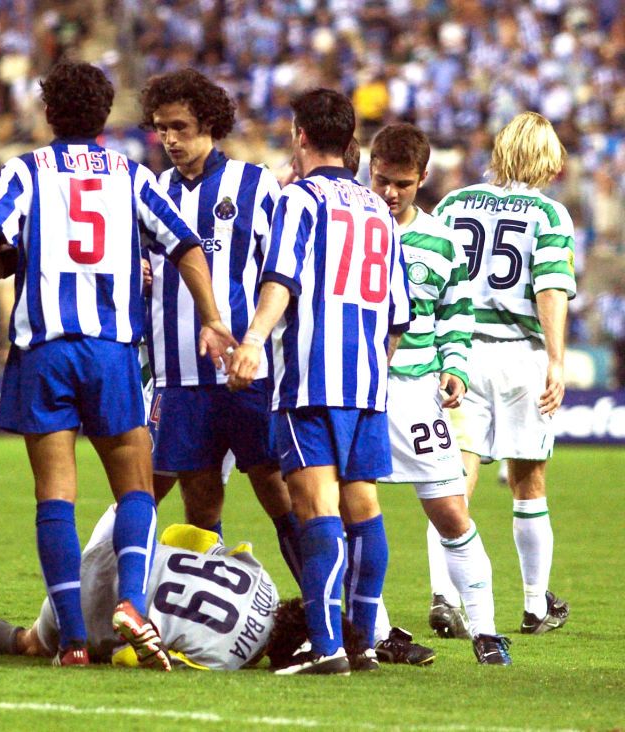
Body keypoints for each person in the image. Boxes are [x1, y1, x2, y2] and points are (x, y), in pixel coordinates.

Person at [0, 61, 235, 669]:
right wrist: (213, 316)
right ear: (104, 114)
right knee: (135, 488)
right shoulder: (132, 175)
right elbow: (186, 244)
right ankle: (133, 603)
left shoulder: (27, 171)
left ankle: (75, 644)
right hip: (111, 351)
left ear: (49, 113)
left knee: (55, 495)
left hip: (47, 350)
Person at [228, 88, 411, 675]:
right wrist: (373, 370)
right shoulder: (380, 209)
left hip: (310, 380)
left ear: (298, 135)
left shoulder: (300, 199)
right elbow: (398, 314)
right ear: (351, 141)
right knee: (364, 507)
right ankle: (360, 642)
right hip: (366, 382)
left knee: (316, 509)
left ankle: (326, 645)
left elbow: (282, 278)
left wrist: (254, 340)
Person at [137, 68, 301, 585]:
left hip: (248, 374)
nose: (170, 140)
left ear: (209, 123)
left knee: (279, 492)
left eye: (180, 127)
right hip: (180, 377)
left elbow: (282, 272)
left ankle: (327, 612)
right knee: (201, 503)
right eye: (162, 128)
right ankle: (214, 614)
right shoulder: (152, 190)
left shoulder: (254, 186)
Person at [369, 123, 510, 665]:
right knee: (354, 510)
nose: (390, 193)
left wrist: (455, 368)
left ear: (423, 177)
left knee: (451, 511)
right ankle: (377, 631)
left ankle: (486, 630)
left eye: (402, 183)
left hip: (415, 392)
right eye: (382, 179)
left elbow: (455, 314)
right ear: (369, 167)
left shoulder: (443, 240)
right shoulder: (351, 225)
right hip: (356, 389)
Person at [433, 111, 575, 636]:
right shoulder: (549, 214)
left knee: (448, 478)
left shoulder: (452, 204)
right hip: (520, 356)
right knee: (528, 479)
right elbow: (550, 288)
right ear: (545, 157)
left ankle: (443, 597)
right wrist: (556, 361)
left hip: (460, 353)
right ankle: (536, 605)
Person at [0, 506, 280, 670]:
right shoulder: (228, 659)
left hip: (122, 549)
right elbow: (137, 658)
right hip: (104, 612)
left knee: (133, 496)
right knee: (28, 643)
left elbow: (184, 536)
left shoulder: (265, 580)